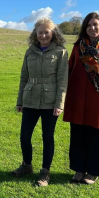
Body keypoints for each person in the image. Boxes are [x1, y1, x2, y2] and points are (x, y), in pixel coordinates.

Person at [63, 12, 99, 184]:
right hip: (78, 98)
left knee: (96, 136)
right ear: (84, 29)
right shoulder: (77, 47)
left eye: (95, 24)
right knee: (78, 135)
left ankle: (93, 172)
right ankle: (79, 169)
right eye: (88, 25)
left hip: (98, 100)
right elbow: (69, 69)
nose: (92, 28)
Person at [11, 18, 68, 187]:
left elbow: (62, 80)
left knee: (47, 137)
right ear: (35, 34)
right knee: (24, 136)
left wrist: (60, 103)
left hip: (50, 102)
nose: (43, 35)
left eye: (47, 32)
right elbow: (23, 77)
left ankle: (45, 171)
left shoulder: (61, 52)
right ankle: (27, 165)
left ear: (53, 33)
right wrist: (20, 100)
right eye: (40, 32)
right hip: (30, 100)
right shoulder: (30, 51)